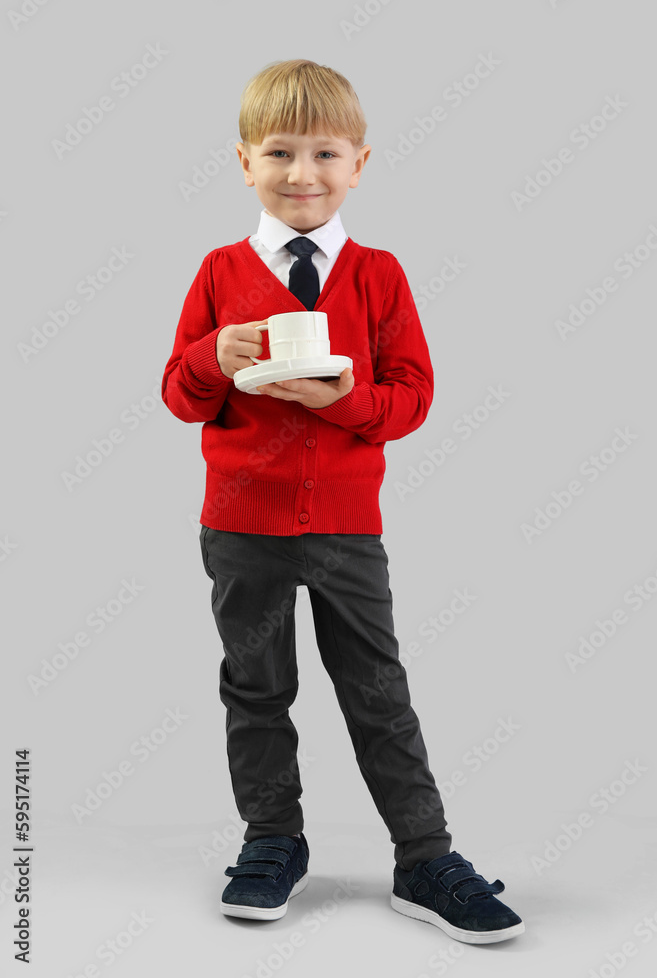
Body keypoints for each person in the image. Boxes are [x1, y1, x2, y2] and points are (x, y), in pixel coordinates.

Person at [161, 58, 524, 945]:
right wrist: (216, 356)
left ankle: (424, 857)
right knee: (256, 687)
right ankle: (272, 840)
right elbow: (179, 393)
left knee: (375, 689)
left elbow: (411, 397)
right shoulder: (217, 272)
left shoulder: (379, 275)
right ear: (244, 163)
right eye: (279, 152)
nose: (301, 173)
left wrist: (345, 401)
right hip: (240, 526)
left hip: (347, 530)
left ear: (359, 164)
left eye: (325, 152)